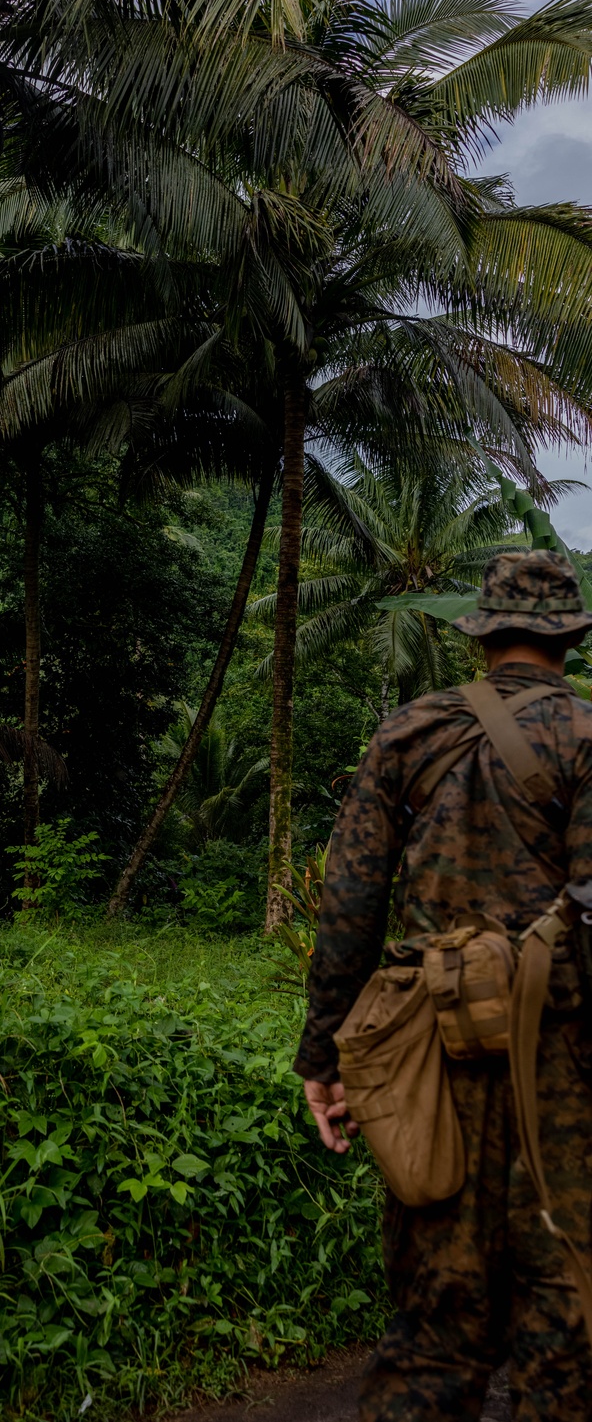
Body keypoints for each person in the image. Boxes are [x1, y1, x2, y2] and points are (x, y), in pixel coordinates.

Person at [296, 550, 592, 1421]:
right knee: (565, 1311)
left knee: (436, 1313)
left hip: (430, 1060)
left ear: (483, 635)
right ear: (569, 637)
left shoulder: (408, 733)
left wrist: (325, 1055)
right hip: (563, 1066)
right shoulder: (586, 736)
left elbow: (347, 906)